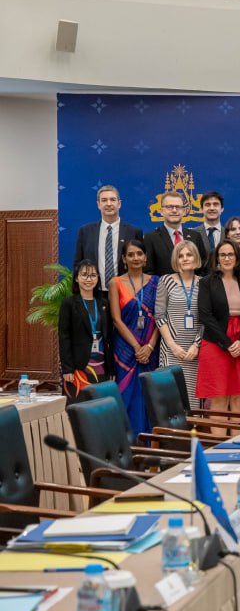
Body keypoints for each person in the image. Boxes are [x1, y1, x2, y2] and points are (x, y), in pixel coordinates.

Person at [196, 240, 240, 416]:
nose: (227, 258)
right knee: (219, 397)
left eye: (230, 254)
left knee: (239, 396)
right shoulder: (207, 282)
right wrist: (227, 343)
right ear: (217, 258)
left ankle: (238, 443)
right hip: (216, 342)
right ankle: (219, 443)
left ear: (237, 257)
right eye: (223, 255)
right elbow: (205, 315)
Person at [109, 239, 159, 432]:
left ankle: (151, 446)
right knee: (127, 396)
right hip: (126, 351)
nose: (135, 258)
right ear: (124, 259)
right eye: (130, 254)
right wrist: (138, 348)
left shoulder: (156, 282)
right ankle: (128, 446)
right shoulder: (116, 283)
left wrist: (150, 347)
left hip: (151, 351)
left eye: (139, 253)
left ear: (145, 257)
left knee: (149, 397)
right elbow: (116, 319)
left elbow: (160, 319)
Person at [154, 240, 204, 406]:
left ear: (196, 258)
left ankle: (193, 432)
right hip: (171, 351)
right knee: (172, 402)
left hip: (195, 352)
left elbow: (207, 319)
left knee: (194, 402)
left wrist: (196, 345)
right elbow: (160, 315)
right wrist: (172, 345)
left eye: (189, 255)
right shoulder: (166, 281)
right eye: (180, 256)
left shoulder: (204, 283)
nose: (185, 259)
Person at [59, 261, 113, 399]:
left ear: (98, 278)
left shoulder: (103, 303)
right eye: (84, 275)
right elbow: (64, 337)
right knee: (79, 407)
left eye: (93, 275)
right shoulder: (69, 303)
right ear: (77, 278)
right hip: (79, 367)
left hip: (101, 364)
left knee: (101, 407)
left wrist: (111, 368)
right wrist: (67, 368)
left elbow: (110, 337)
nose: (89, 279)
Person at [73, 185, 141, 291]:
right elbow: (78, 264)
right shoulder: (85, 231)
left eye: (113, 200)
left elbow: (140, 265)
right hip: (94, 292)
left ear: (119, 204)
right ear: (98, 204)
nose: (108, 204)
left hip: (126, 292)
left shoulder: (133, 232)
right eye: (104, 200)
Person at [143, 191, 209, 276]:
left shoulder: (195, 236)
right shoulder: (150, 238)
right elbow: (148, 272)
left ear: (184, 211)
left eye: (178, 207)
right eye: (169, 207)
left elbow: (203, 268)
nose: (174, 210)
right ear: (161, 211)